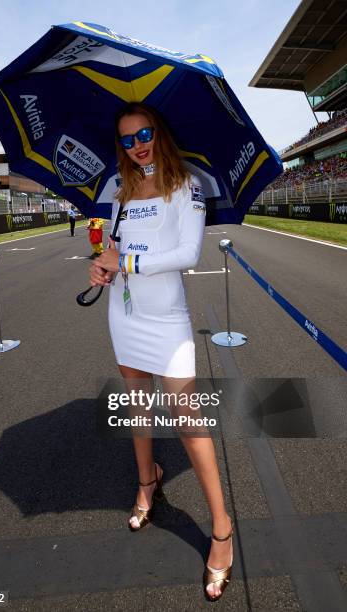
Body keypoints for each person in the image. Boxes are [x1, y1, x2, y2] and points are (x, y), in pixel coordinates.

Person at [89, 102, 233, 602]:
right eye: (127, 139)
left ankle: (221, 530)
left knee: (189, 421)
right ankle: (147, 480)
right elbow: (115, 244)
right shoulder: (120, 190)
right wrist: (104, 266)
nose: (137, 145)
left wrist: (124, 259)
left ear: (158, 133)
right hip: (124, 312)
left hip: (167, 318)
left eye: (144, 134)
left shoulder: (185, 184)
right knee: (136, 404)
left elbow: (187, 255)